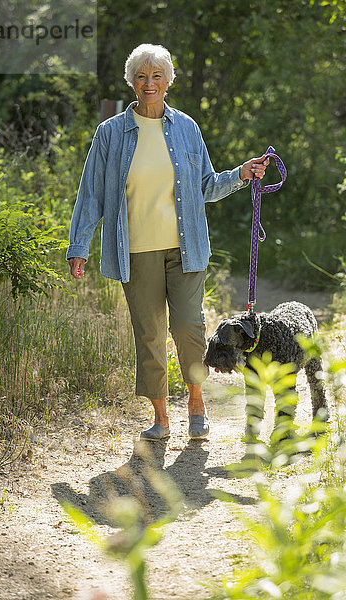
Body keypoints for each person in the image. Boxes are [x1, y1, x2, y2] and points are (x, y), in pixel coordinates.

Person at [67, 43, 269, 441]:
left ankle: (196, 401)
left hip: (186, 247)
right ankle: (160, 417)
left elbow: (207, 186)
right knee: (148, 332)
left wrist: (242, 174)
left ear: (168, 81)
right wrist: (79, 245)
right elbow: (90, 193)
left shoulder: (187, 128)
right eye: (141, 76)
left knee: (189, 328)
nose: (149, 83)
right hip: (136, 251)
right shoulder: (110, 134)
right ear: (131, 82)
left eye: (156, 76)